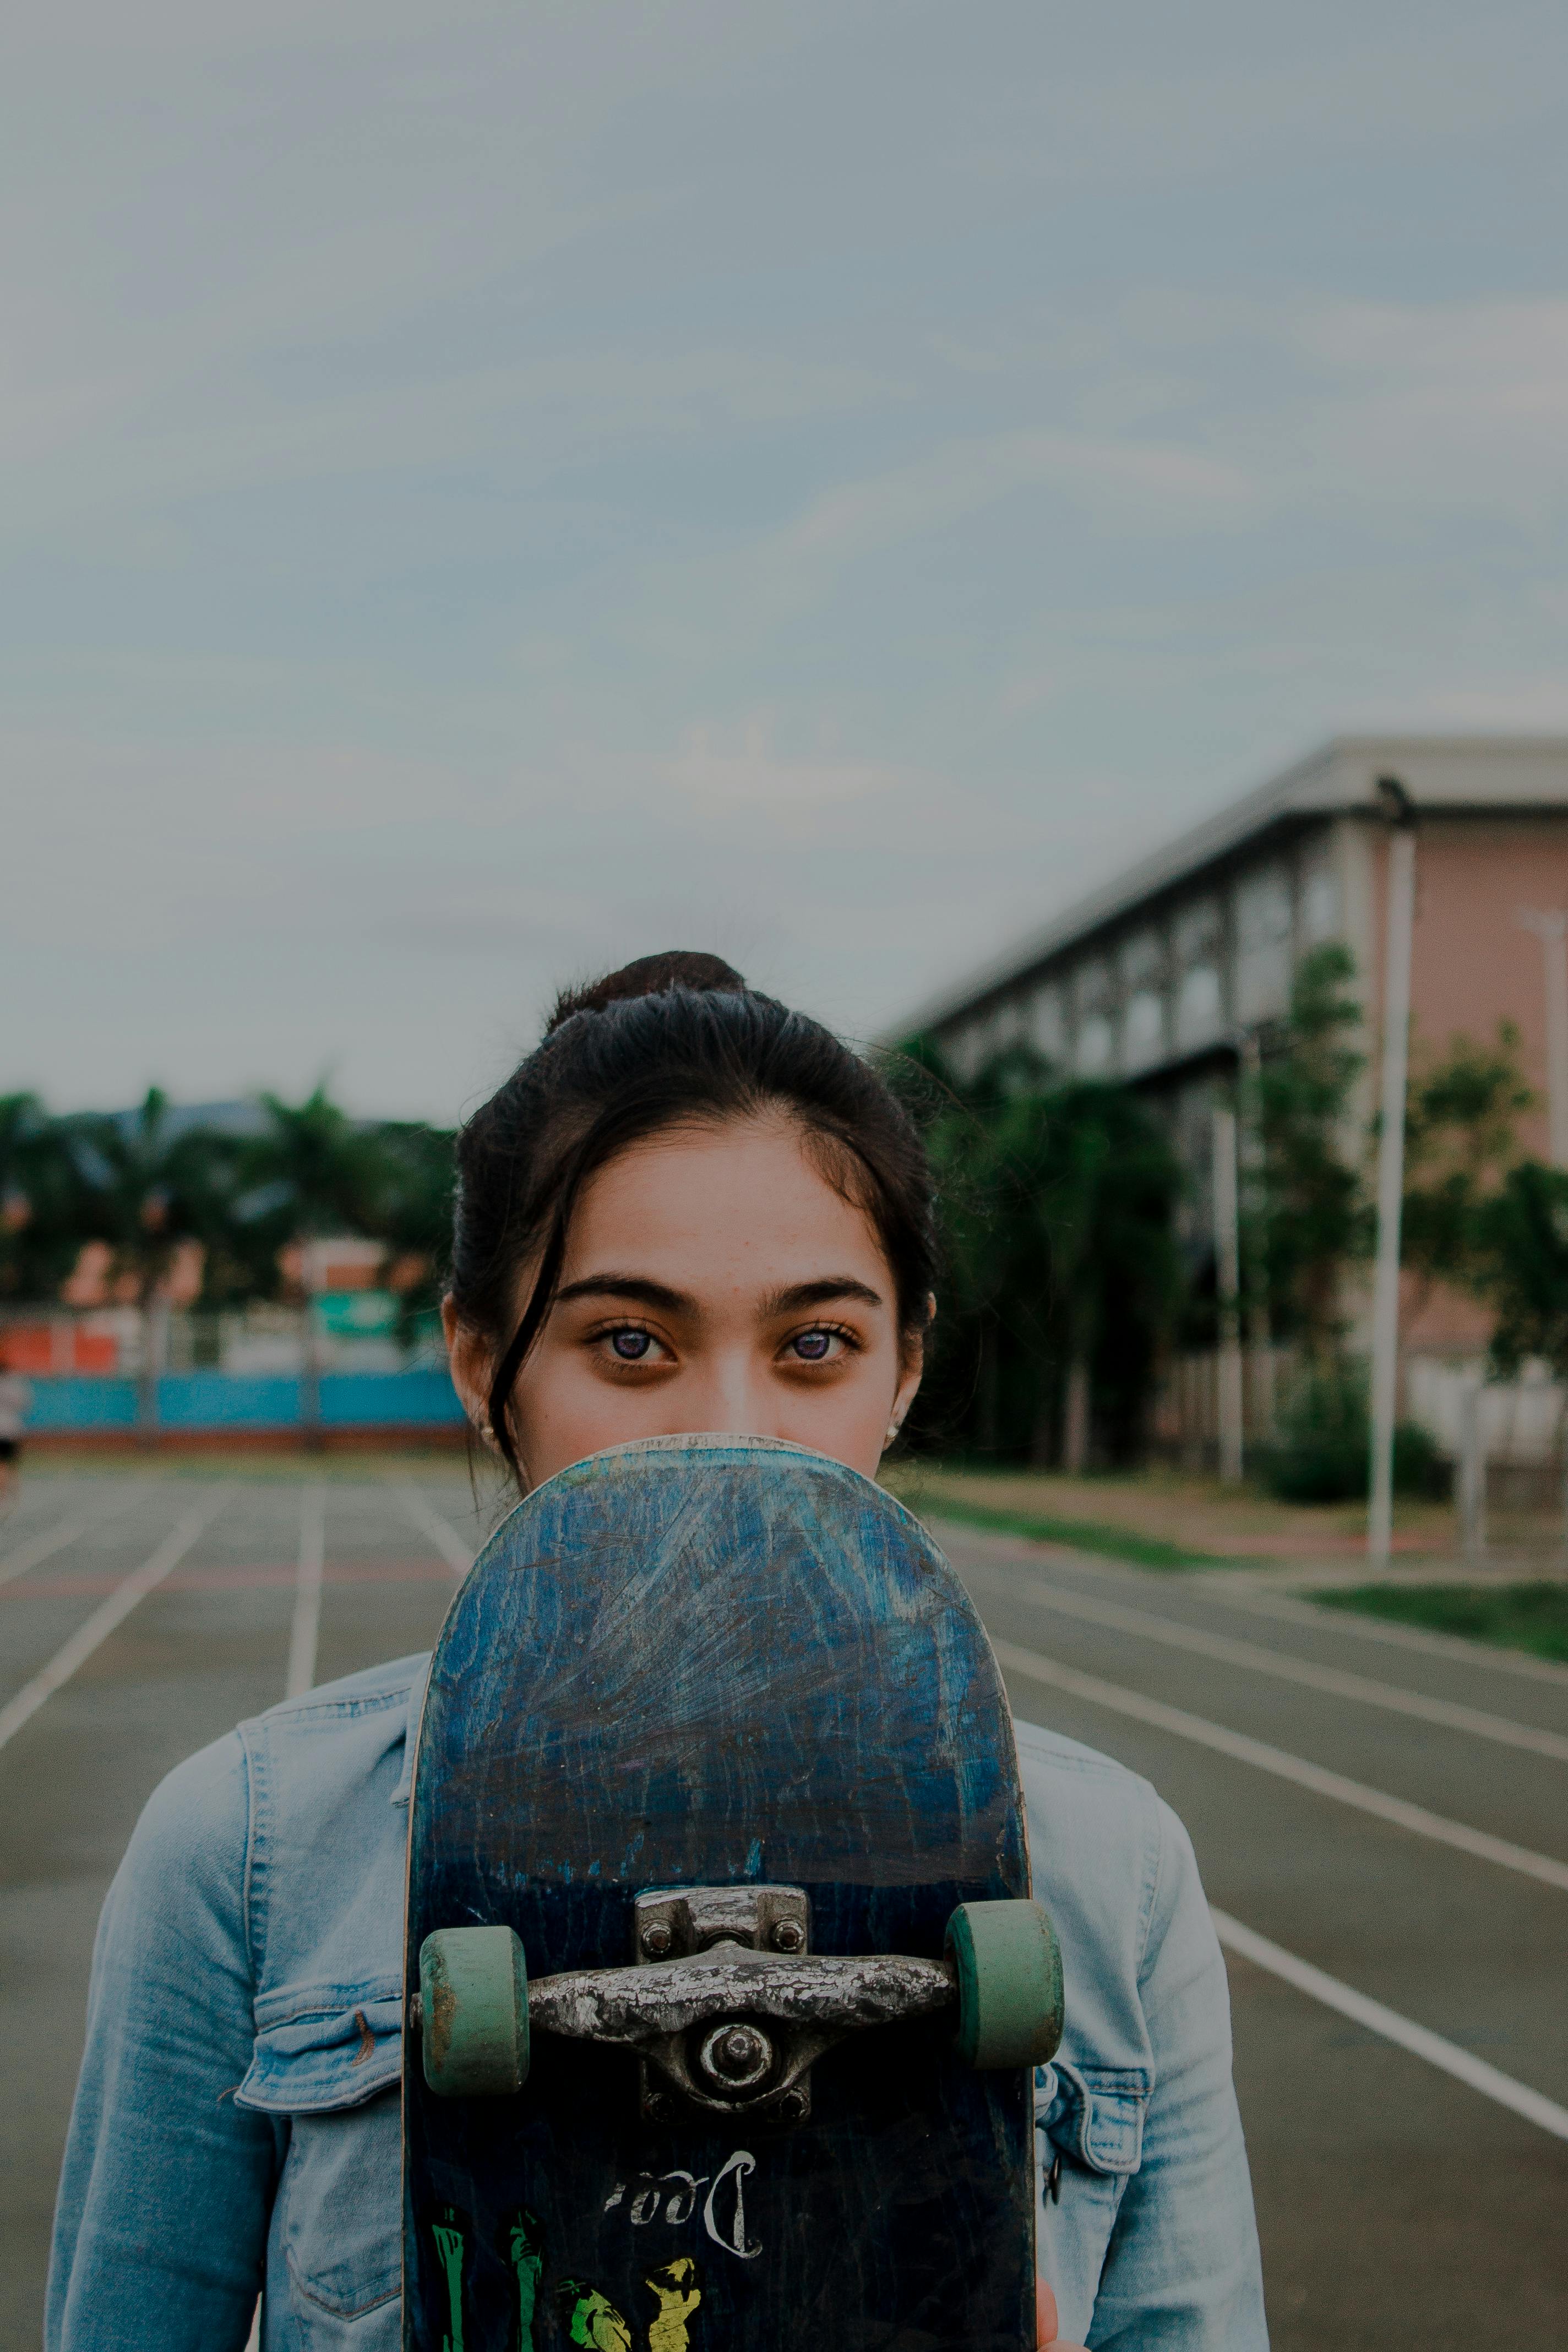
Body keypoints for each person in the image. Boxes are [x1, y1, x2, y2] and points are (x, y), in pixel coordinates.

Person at [47, 954, 1267, 2351]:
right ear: (479, 1361)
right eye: (629, 1341)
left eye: (815, 1342)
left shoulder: (1111, 1871)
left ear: (904, 1371)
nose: (729, 1426)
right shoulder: (248, 1854)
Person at [0, 1343, 31, 1507]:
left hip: (7, 1428)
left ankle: (5, 1493)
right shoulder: (15, 1385)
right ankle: (11, 1493)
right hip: (11, 1429)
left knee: (4, 1464)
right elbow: (24, 1405)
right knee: (9, 1463)